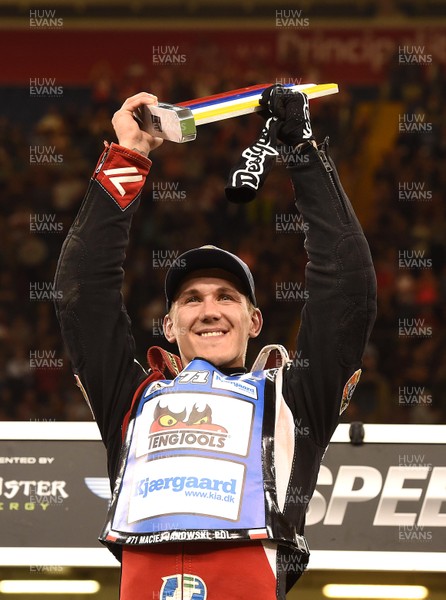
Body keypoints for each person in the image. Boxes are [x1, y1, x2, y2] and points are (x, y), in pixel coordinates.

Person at [55, 87, 376, 600]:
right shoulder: (131, 400)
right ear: (168, 325)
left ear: (254, 322)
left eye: (227, 297)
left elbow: (347, 291)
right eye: (191, 300)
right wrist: (128, 158)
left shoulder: (294, 401)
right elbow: (81, 293)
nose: (209, 310)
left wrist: (301, 152)